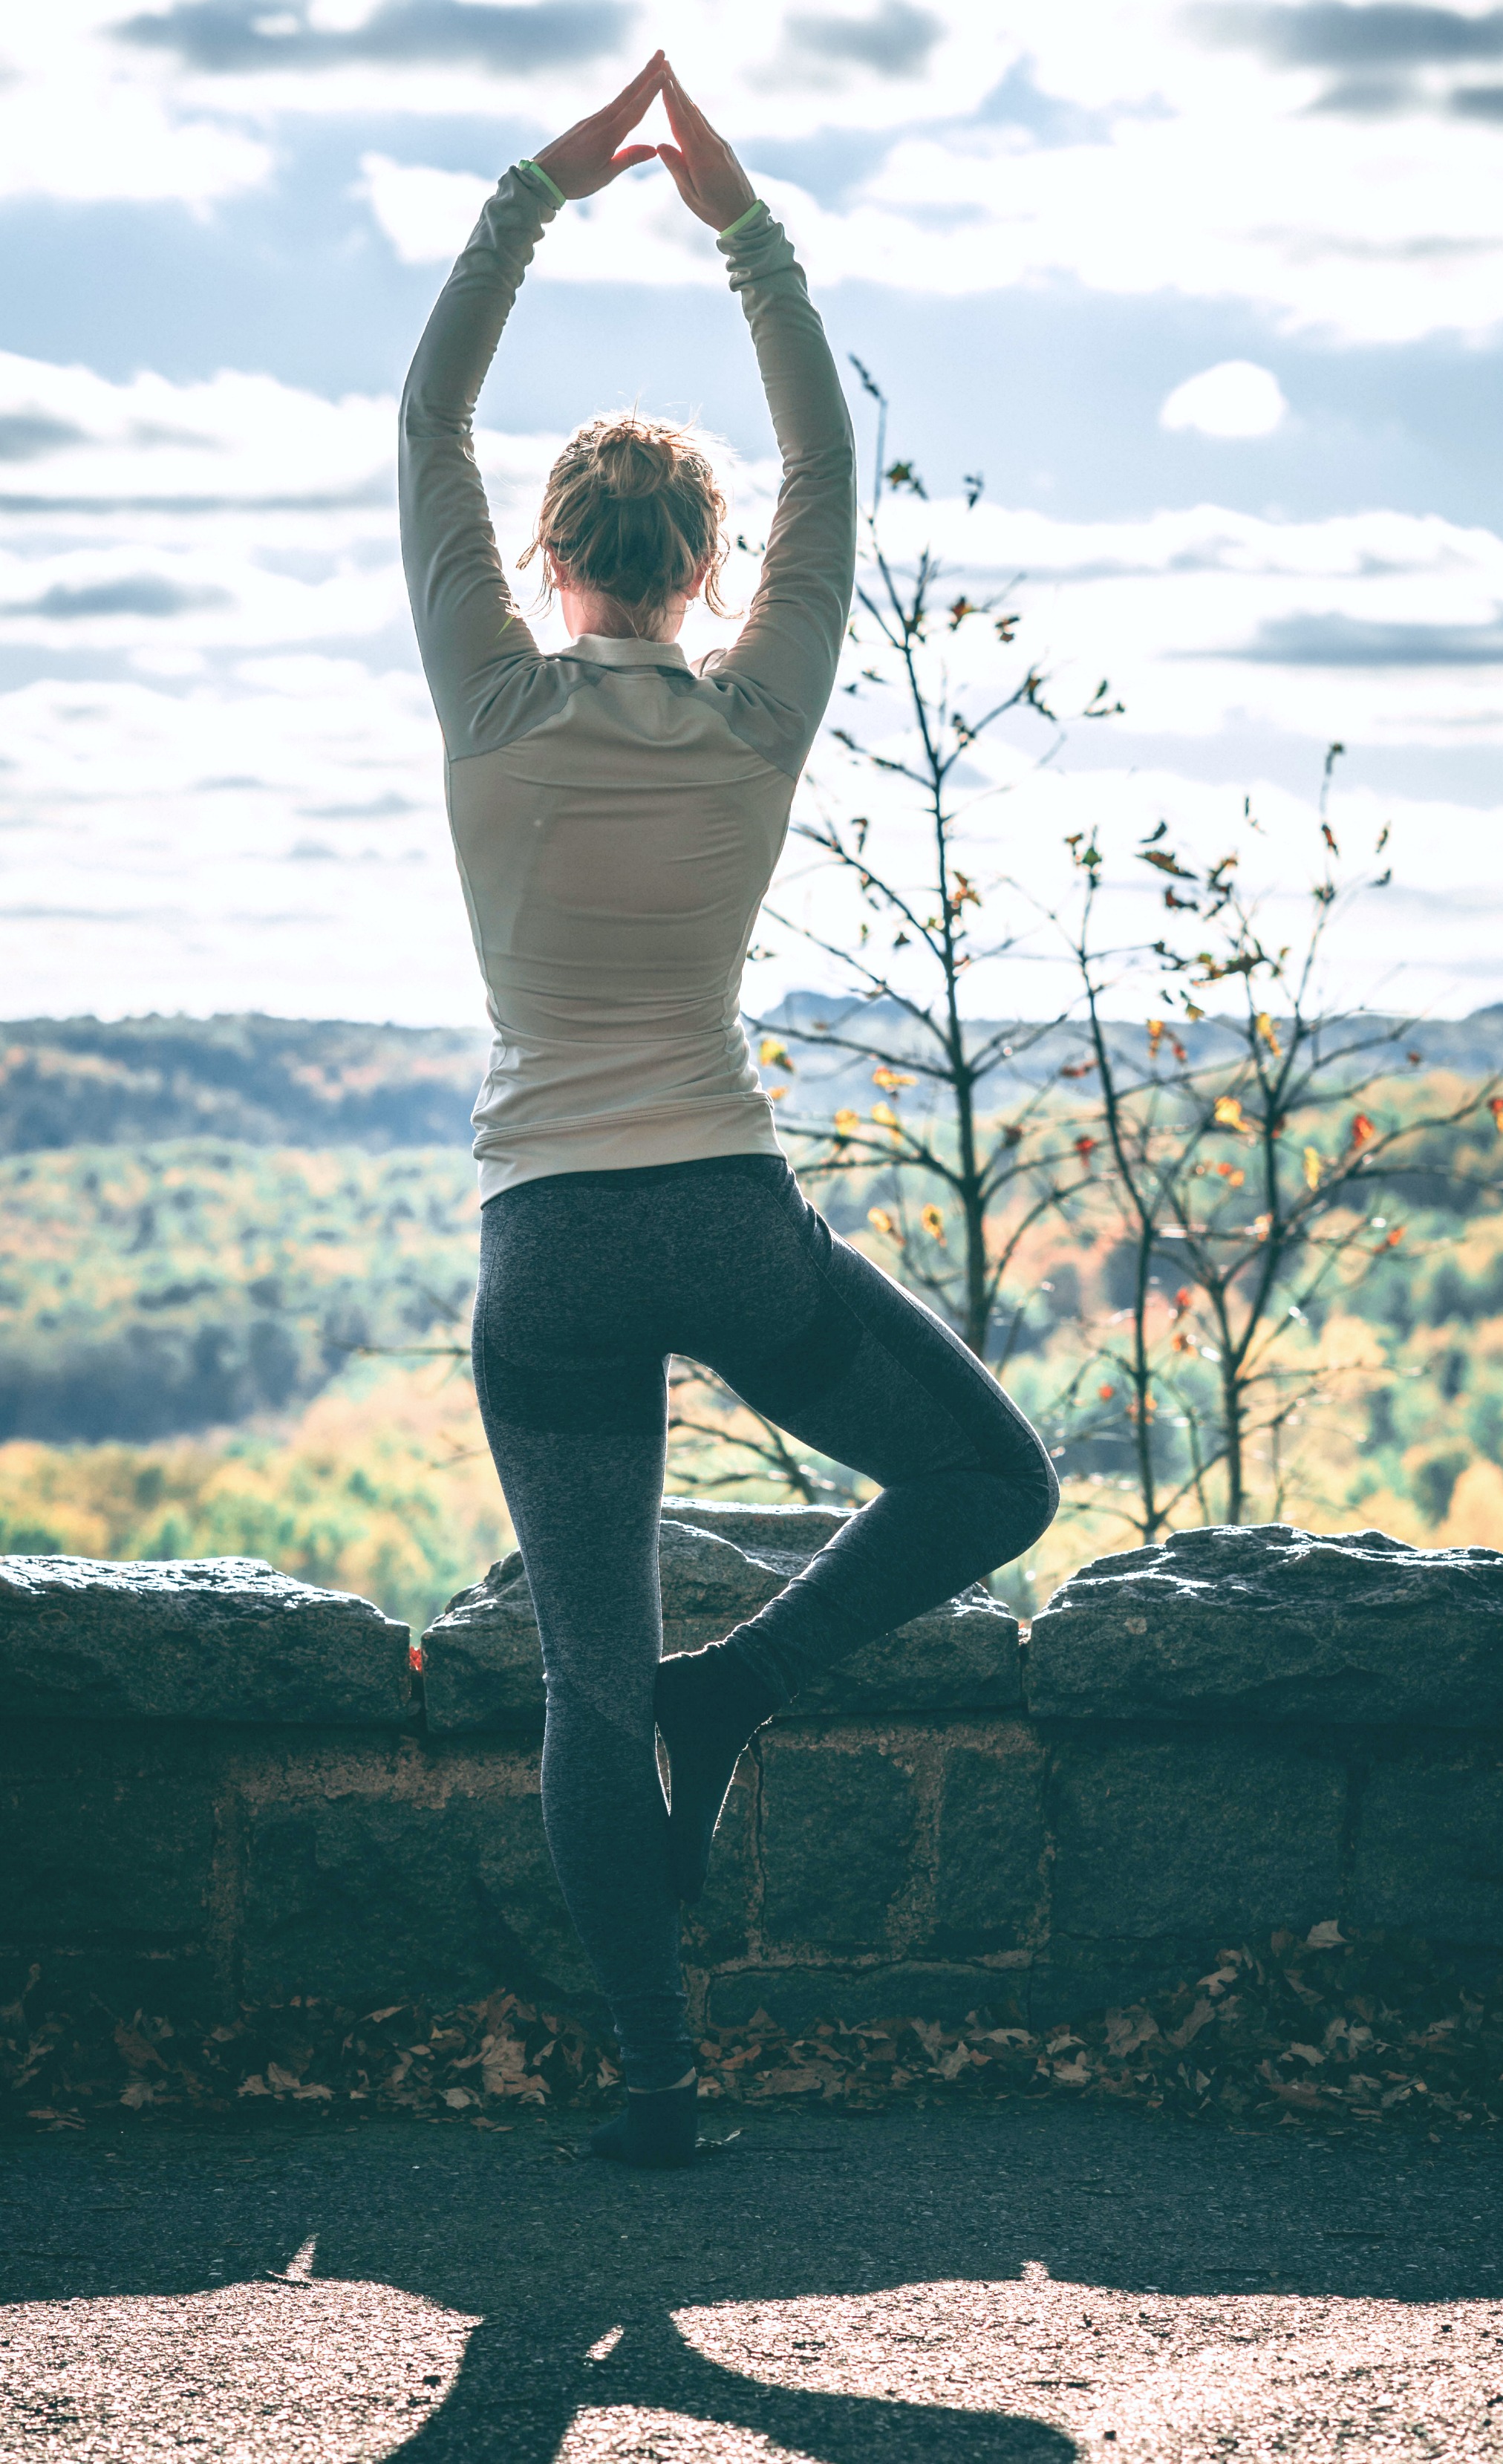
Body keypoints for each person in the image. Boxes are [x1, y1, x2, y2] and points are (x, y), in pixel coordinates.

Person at [400, 53, 1058, 2168]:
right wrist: (740, 228)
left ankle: (657, 2081)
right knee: (988, 1485)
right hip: (730, 1217)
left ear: (542, 556)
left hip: (554, 1249)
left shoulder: (488, 700)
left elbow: (422, 423)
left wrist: (535, 192)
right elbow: (828, 457)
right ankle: (749, 1681)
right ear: (705, 568)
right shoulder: (759, 710)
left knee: (587, 1678)